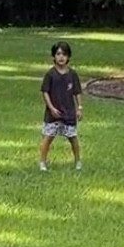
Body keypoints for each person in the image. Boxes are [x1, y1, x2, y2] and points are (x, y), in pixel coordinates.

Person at [39, 39, 83, 172]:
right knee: (48, 137)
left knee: (73, 138)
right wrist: (51, 108)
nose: (61, 57)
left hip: (69, 112)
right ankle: (42, 162)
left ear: (68, 56)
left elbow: (77, 92)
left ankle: (78, 161)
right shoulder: (50, 74)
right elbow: (45, 92)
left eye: (64, 54)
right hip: (53, 113)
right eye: (58, 54)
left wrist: (79, 107)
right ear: (54, 56)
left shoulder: (72, 74)